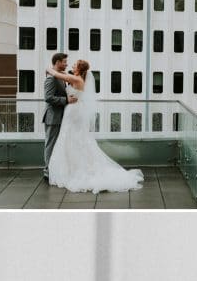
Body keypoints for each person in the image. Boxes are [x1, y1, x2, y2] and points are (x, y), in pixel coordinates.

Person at [44, 59, 143, 193]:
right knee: (72, 138)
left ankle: (73, 169)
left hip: (73, 112)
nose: (72, 65)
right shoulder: (77, 78)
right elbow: (63, 75)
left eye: (75, 65)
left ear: (79, 69)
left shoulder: (76, 79)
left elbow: (57, 75)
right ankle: (72, 167)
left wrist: (49, 69)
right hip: (73, 111)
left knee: (72, 138)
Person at [42, 52, 75, 180]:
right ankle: (47, 171)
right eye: (64, 62)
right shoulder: (51, 78)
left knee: (57, 144)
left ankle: (55, 169)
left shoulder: (60, 75)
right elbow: (48, 98)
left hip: (61, 117)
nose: (66, 64)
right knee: (51, 144)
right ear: (57, 62)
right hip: (53, 117)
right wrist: (66, 100)